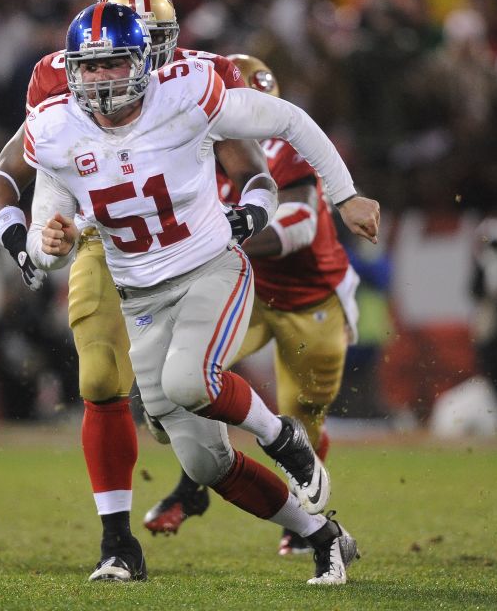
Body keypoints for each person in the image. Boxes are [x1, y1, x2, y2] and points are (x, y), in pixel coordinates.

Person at [28, 2, 380, 585]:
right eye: (87, 68)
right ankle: (325, 537)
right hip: (140, 299)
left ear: (141, 63)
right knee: (205, 461)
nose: (99, 80)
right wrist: (51, 242)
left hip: (209, 270)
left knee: (191, 380)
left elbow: (289, 120)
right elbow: (49, 235)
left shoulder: (186, 94)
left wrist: (345, 196)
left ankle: (282, 435)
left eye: (113, 64)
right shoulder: (56, 126)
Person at [0, 0, 269, 582]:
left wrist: (253, 212)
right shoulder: (61, 76)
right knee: (100, 376)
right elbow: (4, 175)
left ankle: (211, 465)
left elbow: (254, 168)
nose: (146, 56)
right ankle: (117, 541)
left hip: (190, 247)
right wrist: (21, 240)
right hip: (103, 242)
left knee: (177, 410)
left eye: (158, 38)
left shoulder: (201, 75)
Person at [142, 54, 363, 557]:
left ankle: (308, 519)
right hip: (248, 290)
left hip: (311, 299)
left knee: (302, 416)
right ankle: (191, 485)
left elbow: (301, 226)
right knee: (193, 378)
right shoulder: (192, 140)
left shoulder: (285, 147)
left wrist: (225, 234)